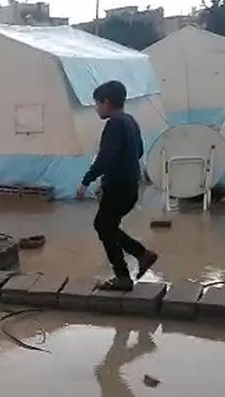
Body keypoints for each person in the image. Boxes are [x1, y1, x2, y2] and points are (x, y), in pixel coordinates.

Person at [77, 80, 158, 292]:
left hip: (118, 186)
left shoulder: (114, 124)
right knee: (106, 226)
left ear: (106, 102)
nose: (96, 109)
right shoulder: (130, 121)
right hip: (131, 185)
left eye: (97, 104)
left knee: (103, 226)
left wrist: (86, 181)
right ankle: (140, 257)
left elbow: (104, 158)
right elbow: (139, 152)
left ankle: (126, 273)